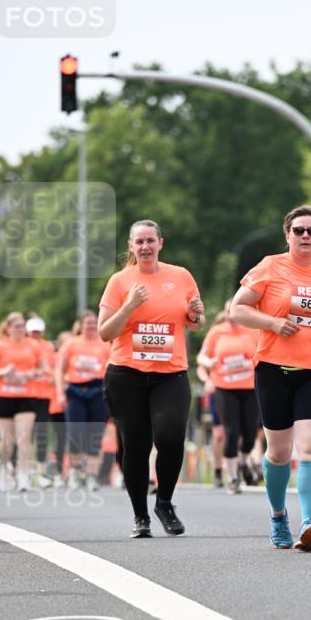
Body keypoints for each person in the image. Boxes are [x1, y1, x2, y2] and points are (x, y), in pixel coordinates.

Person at [230, 204, 311, 550]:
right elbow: (237, 308)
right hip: (273, 370)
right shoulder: (271, 267)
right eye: (298, 230)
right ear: (287, 235)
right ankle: (277, 515)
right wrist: (272, 323)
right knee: (279, 453)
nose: (305, 236)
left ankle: (309, 523)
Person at [98, 219, 204, 538]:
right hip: (126, 374)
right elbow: (105, 332)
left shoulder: (181, 276)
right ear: (131, 246)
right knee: (136, 445)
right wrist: (130, 304)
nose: (145, 246)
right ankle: (140, 515)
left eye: (150, 241)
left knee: (171, 436)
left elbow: (195, 322)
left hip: (170, 373)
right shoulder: (120, 281)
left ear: (161, 243)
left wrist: (197, 315)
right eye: (138, 241)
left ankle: (165, 502)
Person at [197, 301, 259, 494]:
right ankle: (232, 478)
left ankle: (242, 462)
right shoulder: (217, 332)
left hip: (250, 388)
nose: (231, 316)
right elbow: (201, 357)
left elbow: (265, 353)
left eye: (235, 311)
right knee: (231, 432)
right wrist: (210, 361)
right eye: (228, 312)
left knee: (250, 435)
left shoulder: (253, 330)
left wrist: (254, 363)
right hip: (224, 388)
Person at [0, 312, 44, 492]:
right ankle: (3, 469)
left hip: (26, 395)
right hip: (4, 396)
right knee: (6, 441)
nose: (19, 329)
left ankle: (23, 475)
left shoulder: (33, 346)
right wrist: (4, 371)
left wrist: (30, 374)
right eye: (16, 326)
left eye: (22, 326)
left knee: (24, 438)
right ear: (8, 327)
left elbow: (42, 369)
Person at [56, 310, 111, 491]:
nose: (91, 326)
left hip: (97, 391)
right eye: (87, 322)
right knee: (76, 433)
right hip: (75, 391)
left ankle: (91, 476)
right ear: (80, 325)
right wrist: (60, 393)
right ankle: (74, 472)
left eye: (94, 322)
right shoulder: (71, 344)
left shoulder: (104, 344)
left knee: (95, 436)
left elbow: (111, 370)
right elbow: (59, 370)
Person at [26, 315, 56, 488]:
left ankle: (40, 471)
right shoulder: (25, 346)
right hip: (27, 395)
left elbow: (52, 369)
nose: (35, 334)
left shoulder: (48, 347)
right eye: (33, 331)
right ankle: (25, 470)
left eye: (38, 331)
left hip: (44, 395)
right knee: (25, 435)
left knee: (42, 433)